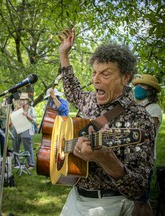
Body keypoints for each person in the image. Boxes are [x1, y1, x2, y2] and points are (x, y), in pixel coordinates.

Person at [58, 28, 155, 215]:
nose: (96, 80)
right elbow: (71, 90)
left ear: (125, 77)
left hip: (112, 204)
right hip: (75, 197)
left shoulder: (139, 118)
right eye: (94, 73)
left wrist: (105, 158)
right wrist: (64, 54)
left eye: (105, 74)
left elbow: (138, 189)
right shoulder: (89, 99)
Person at [132, 74, 163, 216]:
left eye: (141, 86)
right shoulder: (137, 106)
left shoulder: (154, 108)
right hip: (132, 157)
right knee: (134, 198)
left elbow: (147, 132)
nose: (137, 88)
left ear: (150, 90)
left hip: (145, 159)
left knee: (142, 199)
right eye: (136, 85)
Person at [11, 92, 37, 169]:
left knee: (27, 146)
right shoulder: (17, 108)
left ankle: (31, 163)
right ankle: (16, 162)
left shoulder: (31, 109)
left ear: (27, 100)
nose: (22, 101)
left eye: (24, 100)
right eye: (21, 99)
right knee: (15, 144)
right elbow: (12, 117)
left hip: (27, 129)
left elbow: (34, 121)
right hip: (17, 128)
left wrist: (27, 115)